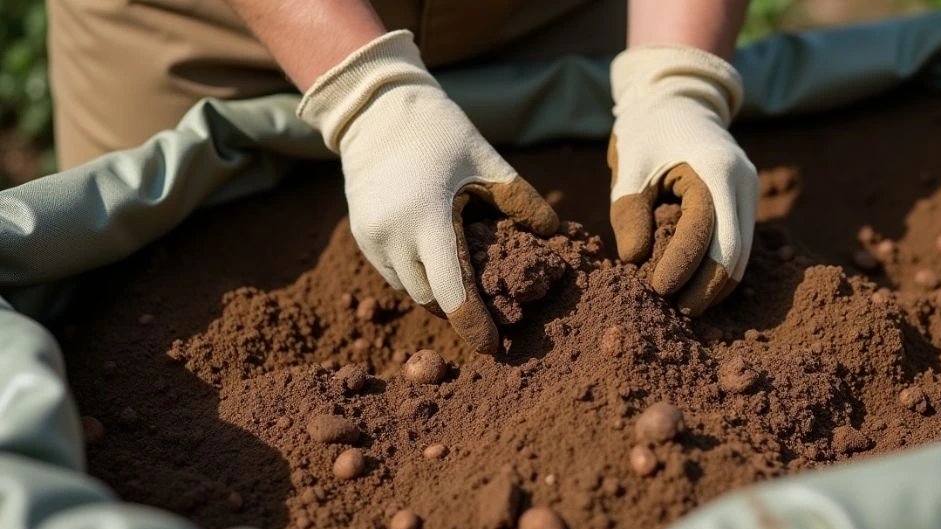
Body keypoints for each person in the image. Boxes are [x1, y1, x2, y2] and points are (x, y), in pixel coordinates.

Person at [47, 0, 759, 353]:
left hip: (530, 18)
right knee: (131, 314)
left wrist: (676, 74)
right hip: (207, 33)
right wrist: (364, 93)